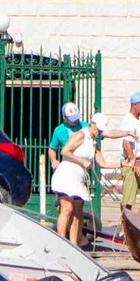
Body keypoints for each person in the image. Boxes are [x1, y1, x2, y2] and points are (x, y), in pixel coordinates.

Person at [49, 103, 96, 248]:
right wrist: (54, 160)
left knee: (77, 209)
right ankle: (62, 240)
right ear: (64, 117)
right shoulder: (59, 130)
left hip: (79, 174)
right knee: (65, 209)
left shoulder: (84, 126)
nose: (74, 121)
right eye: (71, 119)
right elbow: (53, 148)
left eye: (76, 118)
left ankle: (76, 239)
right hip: (67, 171)